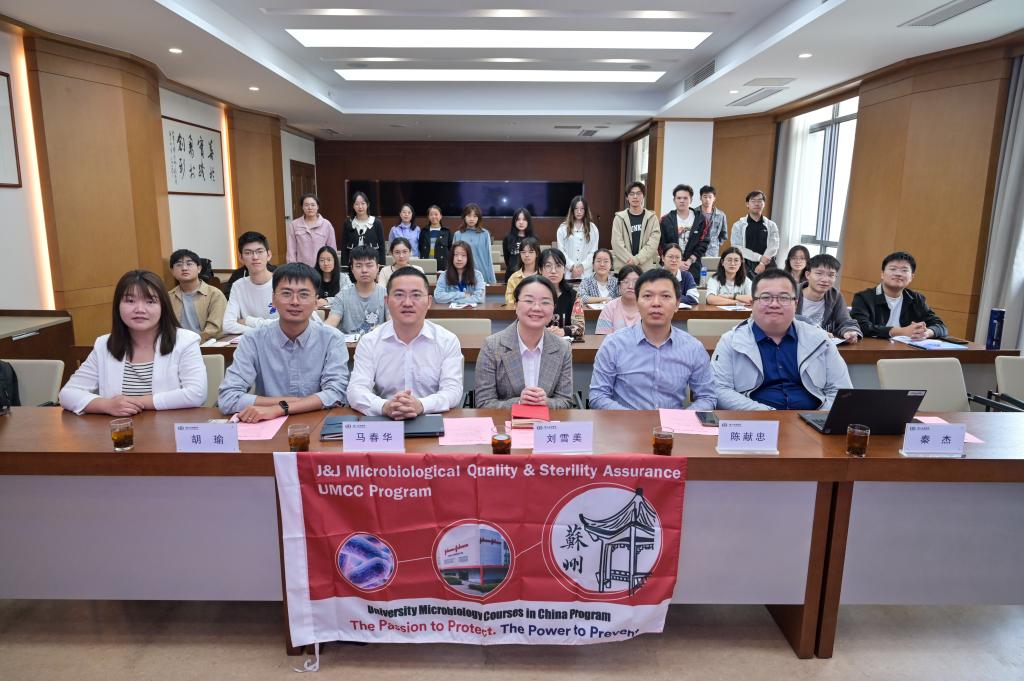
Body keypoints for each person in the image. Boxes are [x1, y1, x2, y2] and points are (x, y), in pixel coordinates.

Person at [59, 270, 206, 415]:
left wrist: (135, 403)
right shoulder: (104, 345)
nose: (140, 309)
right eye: (130, 301)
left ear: (163, 306)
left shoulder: (185, 341)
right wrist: (107, 405)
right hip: (119, 429)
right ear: (118, 306)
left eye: (150, 301)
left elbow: (196, 394)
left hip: (169, 427)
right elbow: (67, 394)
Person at [218, 263, 348, 421]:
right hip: (266, 425)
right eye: (286, 293)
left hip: (317, 423)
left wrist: (280, 409)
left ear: (316, 302)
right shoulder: (253, 339)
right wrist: (287, 403)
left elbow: (336, 394)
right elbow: (228, 398)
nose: (295, 301)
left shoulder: (331, 338)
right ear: (273, 299)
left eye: (304, 294)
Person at [711, 269, 852, 411]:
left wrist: (819, 418)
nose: (774, 304)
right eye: (766, 297)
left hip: (812, 419)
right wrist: (767, 415)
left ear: (795, 303)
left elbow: (841, 390)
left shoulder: (819, 339)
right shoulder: (731, 341)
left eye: (784, 298)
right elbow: (720, 389)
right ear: (752, 303)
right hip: (756, 419)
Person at [347, 267, 464, 419]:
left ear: (429, 302)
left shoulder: (447, 340)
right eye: (399, 295)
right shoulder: (370, 341)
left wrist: (421, 405)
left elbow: (453, 390)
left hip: (432, 419)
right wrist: (385, 406)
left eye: (416, 295)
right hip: (387, 420)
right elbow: (356, 390)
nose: (407, 303)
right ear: (386, 301)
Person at [590, 269, 716, 410]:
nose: (656, 303)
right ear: (637, 303)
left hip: (674, 423)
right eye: (648, 296)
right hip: (626, 423)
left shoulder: (693, 348)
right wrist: (632, 418)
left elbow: (707, 397)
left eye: (665, 296)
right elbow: (598, 396)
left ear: (677, 305)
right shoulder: (613, 344)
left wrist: (682, 418)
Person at [474, 275, 574, 409]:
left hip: (546, 421)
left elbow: (565, 401)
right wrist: (519, 403)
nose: (537, 308)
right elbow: (483, 403)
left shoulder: (562, 348)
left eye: (545, 302)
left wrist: (546, 402)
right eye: (529, 301)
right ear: (515, 305)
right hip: (505, 422)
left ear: (554, 307)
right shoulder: (492, 346)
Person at [851, 251, 948, 340]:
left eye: (904, 270)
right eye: (893, 269)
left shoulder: (916, 299)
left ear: (911, 277)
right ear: (882, 274)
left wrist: (925, 333)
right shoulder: (864, 297)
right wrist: (902, 331)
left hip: (906, 350)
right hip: (874, 348)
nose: (898, 274)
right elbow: (861, 326)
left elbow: (941, 326)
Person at [222, 231, 278, 335]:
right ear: (241, 258)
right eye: (248, 253)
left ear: (269, 255)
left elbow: (287, 323)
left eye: (259, 251)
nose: (255, 257)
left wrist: (248, 321)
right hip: (251, 341)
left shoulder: (282, 283)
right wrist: (260, 332)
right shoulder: (238, 286)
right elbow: (227, 325)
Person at [798, 254, 861, 343]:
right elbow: (784, 323)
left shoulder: (835, 296)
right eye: (819, 273)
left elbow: (845, 320)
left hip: (823, 346)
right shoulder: (790, 294)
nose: (825, 279)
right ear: (808, 275)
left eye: (831, 275)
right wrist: (816, 332)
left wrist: (849, 331)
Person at [326, 245, 388, 335]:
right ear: (352, 269)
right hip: (348, 344)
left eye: (369, 265)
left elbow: (392, 322)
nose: (364, 270)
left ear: (378, 268)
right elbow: (331, 322)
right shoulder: (342, 295)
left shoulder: (386, 294)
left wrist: (382, 329)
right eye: (358, 266)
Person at [168, 248, 227, 342]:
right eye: (179, 264)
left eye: (189, 264)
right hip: (177, 345)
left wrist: (193, 343)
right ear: (172, 271)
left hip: (207, 345)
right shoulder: (168, 297)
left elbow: (214, 328)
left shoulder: (215, 294)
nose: (184, 268)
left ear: (199, 269)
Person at [659, 184, 708, 283]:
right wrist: (677, 262)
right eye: (679, 198)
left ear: (691, 200)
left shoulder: (700, 219)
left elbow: (704, 242)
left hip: (693, 266)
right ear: (674, 200)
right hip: (670, 267)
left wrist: (690, 260)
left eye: (685, 198)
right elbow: (661, 245)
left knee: (691, 291)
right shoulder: (665, 220)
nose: (682, 201)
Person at [611, 181, 661, 271]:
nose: (635, 197)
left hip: (645, 268)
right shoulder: (619, 218)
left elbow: (653, 243)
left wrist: (637, 260)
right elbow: (616, 243)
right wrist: (631, 261)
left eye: (638, 193)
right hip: (624, 267)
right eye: (631, 194)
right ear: (627, 197)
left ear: (643, 196)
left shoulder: (652, 218)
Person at [730, 190, 780, 278]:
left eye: (760, 201)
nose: (757, 204)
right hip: (746, 264)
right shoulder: (738, 225)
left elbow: (773, 246)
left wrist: (762, 263)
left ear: (764, 204)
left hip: (767, 263)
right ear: (747, 204)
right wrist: (759, 258)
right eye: (753, 201)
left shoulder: (771, 225)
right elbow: (737, 247)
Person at [539, 248, 583, 338]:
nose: (553, 271)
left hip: (564, 343)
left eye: (558, 266)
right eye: (548, 266)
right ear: (540, 270)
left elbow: (580, 327)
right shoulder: (532, 294)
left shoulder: (573, 295)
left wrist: (563, 331)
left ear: (564, 270)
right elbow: (523, 324)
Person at [286, 193, 336, 267]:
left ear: (317, 206)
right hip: (301, 268)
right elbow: (291, 250)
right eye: (306, 205)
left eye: (313, 205)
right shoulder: (294, 225)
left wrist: (330, 266)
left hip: (321, 267)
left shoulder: (326, 225)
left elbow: (332, 248)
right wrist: (292, 267)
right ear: (302, 207)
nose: (310, 208)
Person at [557, 196, 600, 279]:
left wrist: (582, 267)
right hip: (568, 272)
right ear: (572, 210)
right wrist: (572, 267)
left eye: (582, 209)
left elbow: (593, 252)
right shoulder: (563, 228)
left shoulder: (593, 228)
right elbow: (561, 251)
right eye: (576, 209)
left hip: (586, 273)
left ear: (585, 210)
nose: (579, 212)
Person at [453, 202, 496, 284]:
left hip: (482, 273)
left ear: (478, 218)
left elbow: (489, 258)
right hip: (462, 274)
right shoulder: (458, 234)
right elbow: (453, 258)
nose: (471, 219)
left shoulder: (485, 234)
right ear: (464, 217)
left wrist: (492, 280)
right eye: (469, 216)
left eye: (475, 216)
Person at [341, 191, 385, 267]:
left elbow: (382, 246)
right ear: (353, 206)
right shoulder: (348, 223)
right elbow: (344, 247)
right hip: (354, 264)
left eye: (363, 203)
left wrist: (381, 265)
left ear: (367, 204)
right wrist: (344, 266)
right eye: (357, 204)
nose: (360, 207)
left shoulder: (376, 222)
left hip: (371, 264)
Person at [595, 265, 642, 335]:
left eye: (635, 282)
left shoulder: (648, 307)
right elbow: (602, 337)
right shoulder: (609, 308)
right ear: (619, 285)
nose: (630, 286)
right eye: (626, 282)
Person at [504, 237, 540, 305]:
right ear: (520, 254)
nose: (526, 255)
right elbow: (509, 301)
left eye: (531, 252)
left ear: (537, 254)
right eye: (523, 252)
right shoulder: (514, 277)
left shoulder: (543, 275)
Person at [502, 208, 535, 282]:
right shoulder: (508, 238)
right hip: (511, 276)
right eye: (518, 219)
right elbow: (507, 259)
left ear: (528, 221)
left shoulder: (534, 239)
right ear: (514, 221)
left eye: (524, 219)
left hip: (529, 276)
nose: (521, 222)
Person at [420, 204, 453, 274]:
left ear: (441, 216)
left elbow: (451, 249)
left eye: (436, 214)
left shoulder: (447, 231)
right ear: (428, 217)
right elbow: (420, 247)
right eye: (431, 214)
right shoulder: (424, 231)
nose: (434, 216)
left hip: (442, 265)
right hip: (426, 263)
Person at [698, 185, 729, 258]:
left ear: (714, 198)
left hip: (712, 252)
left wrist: (715, 244)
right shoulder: (694, 213)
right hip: (695, 251)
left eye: (710, 197)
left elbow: (724, 234)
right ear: (700, 198)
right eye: (705, 197)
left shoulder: (721, 215)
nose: (707, 199)